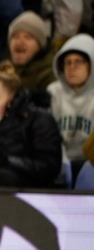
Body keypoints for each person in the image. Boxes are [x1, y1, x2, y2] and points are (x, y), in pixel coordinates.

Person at [48, 34, 94, 179]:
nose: (72, 68)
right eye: (67, 62)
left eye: (78, 62)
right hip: (58, 159)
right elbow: (48, 137)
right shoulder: (53, 92)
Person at [3, 11, 57, 91]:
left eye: (28, 37)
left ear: (40, 46)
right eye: (15, 37)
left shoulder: (50, 77)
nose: (20, 42)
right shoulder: (3, 72)